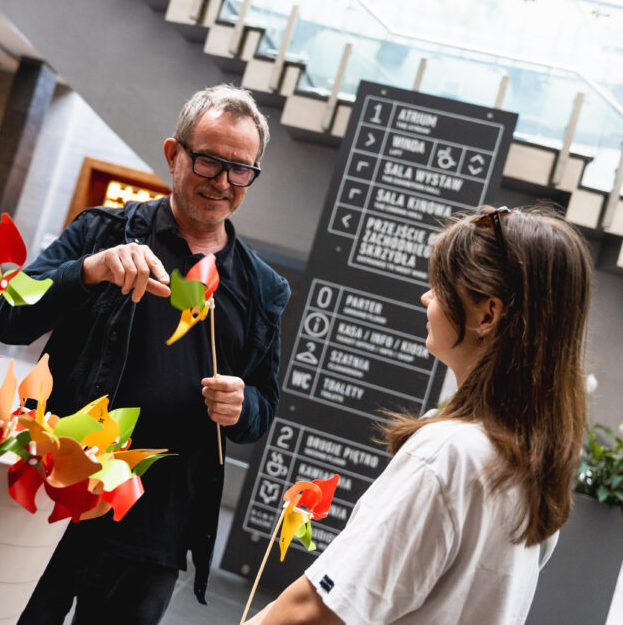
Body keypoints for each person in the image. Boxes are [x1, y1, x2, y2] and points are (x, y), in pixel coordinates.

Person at [0, 84, 291, 623]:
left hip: (158, 520)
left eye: (240, 169)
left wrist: (241, 407)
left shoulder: (262, 287)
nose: (222, 182)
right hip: (59, 488)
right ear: (174, 154)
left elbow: (262, 408)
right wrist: (88, 270)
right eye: (208, 160)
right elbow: (11, 316)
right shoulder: (102, 231)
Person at [246, 205, 591, 624]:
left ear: (487, 315)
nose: (426, 297)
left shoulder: (449, 453)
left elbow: (317, 612)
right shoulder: (533, 463)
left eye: (440, 286)